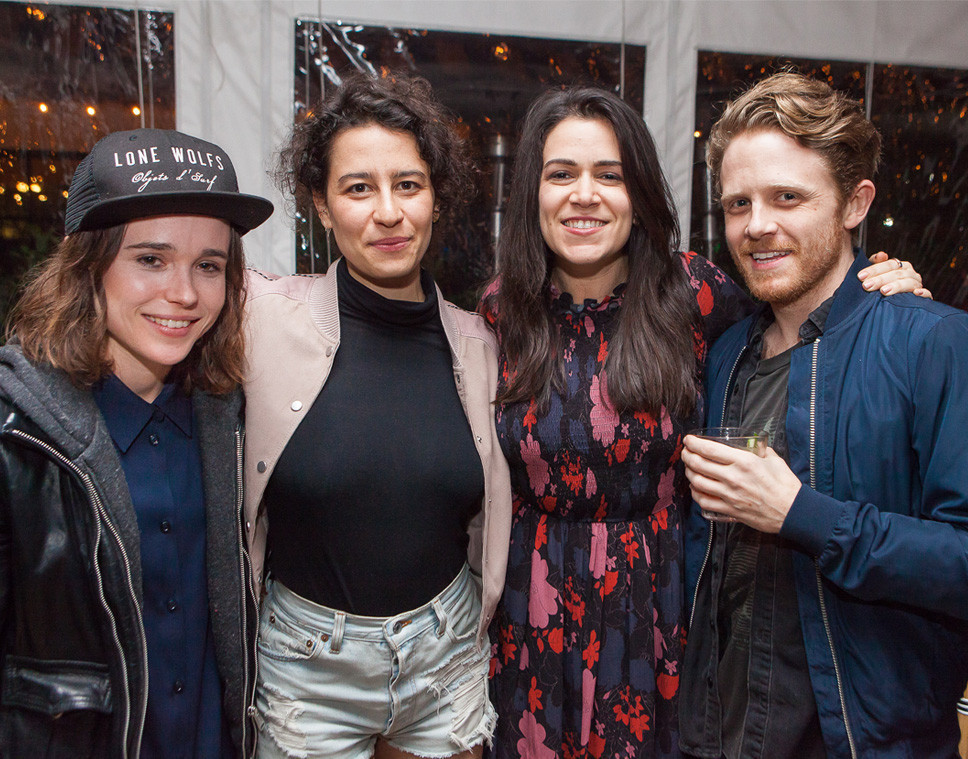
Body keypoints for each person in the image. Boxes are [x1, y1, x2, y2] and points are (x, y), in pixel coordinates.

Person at [478, 86, 926, 759]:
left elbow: (801, 307)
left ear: (641, 193)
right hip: (529, 612)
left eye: (610, 174)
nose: (585, 194)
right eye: (561, 173)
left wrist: (884, 285)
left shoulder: (695, 294)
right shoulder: (500, 313)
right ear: (531, 193)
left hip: (662, 613)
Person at [0, 128, 273, 758]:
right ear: (87, 262)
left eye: (209, 265)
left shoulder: (235, 423)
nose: (184, 293)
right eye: (150, 259)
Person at [679, 71, 968, 759]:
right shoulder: (727, 355)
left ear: (854, 203)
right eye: (738, 203)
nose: (758, 225)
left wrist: (801, 512)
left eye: (788, 197)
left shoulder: (933, 342)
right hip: (720, 736)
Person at [243, 74, 510, 759]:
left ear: (436, 199)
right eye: (359, 188)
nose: (388, 212)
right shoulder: (261, 316)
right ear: (323, 206)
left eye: (409, 185)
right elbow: (142, 319)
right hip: (307, 668)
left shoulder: (482, 345)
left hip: (444, 657)